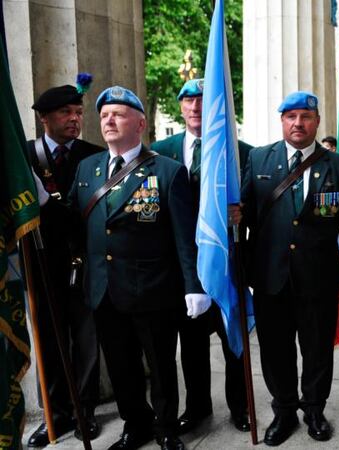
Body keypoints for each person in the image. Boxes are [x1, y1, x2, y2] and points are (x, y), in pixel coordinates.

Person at [64, 86, 210, 450]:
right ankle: (136, 424)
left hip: (152, 288)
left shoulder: (167, 170)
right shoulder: (88, 168)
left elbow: (183, 237)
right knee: (121, 364)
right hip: (103, 288)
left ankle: (164, 428)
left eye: (118, 114)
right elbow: (72, 223)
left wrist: (193, 285)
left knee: (160, 367)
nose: (108, 120)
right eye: (104, 115)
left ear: (140, 123)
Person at [241, 91, 339, 446]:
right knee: (275, 349)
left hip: (319, 278)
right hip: (270, 278)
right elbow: (247, 214)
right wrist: (235, 216)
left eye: (305, 117)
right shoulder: (259, 159)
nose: (298, 123)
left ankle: (313, 409)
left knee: (316, 350)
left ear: (317, 122)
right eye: (291, 116)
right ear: (282, 121)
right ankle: (283, 411)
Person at [151, 78, 253, 434]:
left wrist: (245, 211)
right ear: (180, 107)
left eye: (204, 101)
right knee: (191, 344)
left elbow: (258, 205)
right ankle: (197, 408)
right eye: (189, 101)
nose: (197, 108)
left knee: (232, 343)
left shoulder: (242, 151)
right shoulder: (160, 150)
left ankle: (241, 408)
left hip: (227, 264)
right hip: (182, 266)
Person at [26, 78, 104, 447]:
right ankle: (54, 414)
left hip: (83, 261)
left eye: (77, 112)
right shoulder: (25, 157)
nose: (74, 119)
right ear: (44, 118)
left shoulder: (95, 155)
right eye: (65, 113)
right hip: (40, 265)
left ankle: (83, 409)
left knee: (87, 340)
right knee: (48, 339)